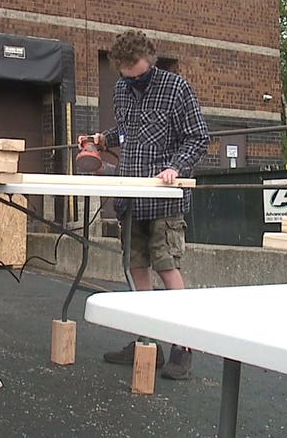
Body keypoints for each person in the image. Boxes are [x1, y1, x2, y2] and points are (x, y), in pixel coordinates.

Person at [79, 29, 209, 380]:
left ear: (150, 61)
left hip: (165, 196)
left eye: (139, 74)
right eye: (127, 75)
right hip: (131, 193)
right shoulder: (122, 89)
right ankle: (145, 340)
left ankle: (183, 345)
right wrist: (104, 139)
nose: (134, 81)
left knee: (166, 266)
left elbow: (198, 137)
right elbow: (130, 131)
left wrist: (175, 167)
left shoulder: (176, 88)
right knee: (135, 266)